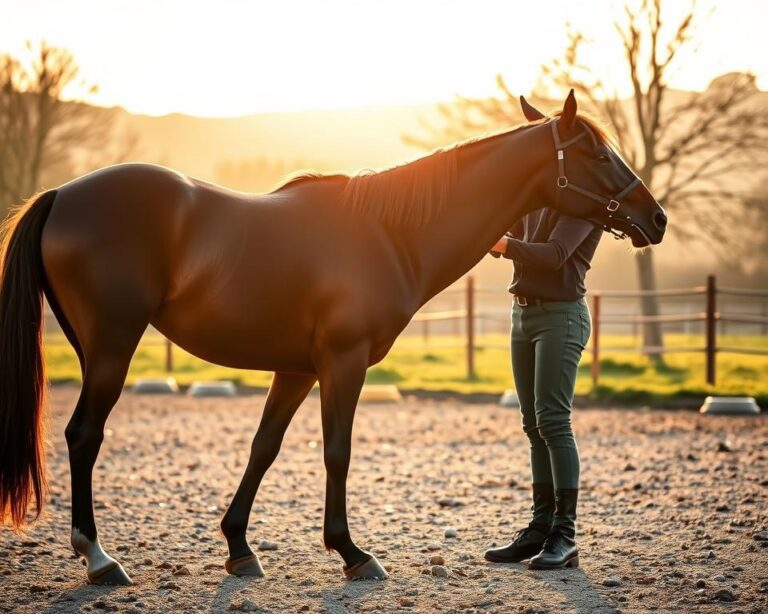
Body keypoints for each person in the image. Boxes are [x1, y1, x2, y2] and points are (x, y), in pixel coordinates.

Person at [484, 207, 602, 569]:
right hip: (522, 315)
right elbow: (506, 235)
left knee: (553, 421)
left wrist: (501, 242)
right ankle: (540, 528)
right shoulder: (535, 202)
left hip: (562, 316)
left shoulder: (585, 204)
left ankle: (564, 536)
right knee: (533, 425)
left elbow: (553, 255)